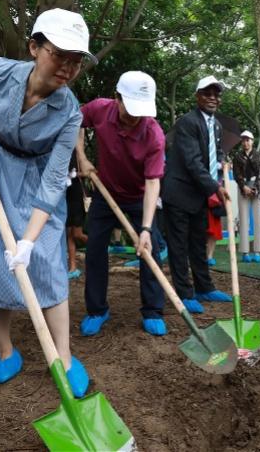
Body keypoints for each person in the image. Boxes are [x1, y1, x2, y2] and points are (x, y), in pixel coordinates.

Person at [0, 9, 93, 396]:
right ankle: (6, 350)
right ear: (34, 47)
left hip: (35, 181)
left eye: (76, 61)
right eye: (60, 54)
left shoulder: (69, 113)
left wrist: (28, 240)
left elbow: (54, 181)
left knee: (46, 262)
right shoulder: (0, 71)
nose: (67, 68)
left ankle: (63, 355)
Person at [75, 70, 167, 336]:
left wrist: (146, 229)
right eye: (130, 108)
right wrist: (81, 155)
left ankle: (152, 310)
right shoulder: (100, 110)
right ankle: (97, 309)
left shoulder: (153, 133)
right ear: (117, 98)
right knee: (94, 250)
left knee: (150, 250)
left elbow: (152, 183)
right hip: (106, 194)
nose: (135, 116)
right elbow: (74, 122)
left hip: (139, 197)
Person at [161, 76, 232, 314]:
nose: (213, 98)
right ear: (197, 96)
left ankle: (204, 287)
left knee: (198, 243)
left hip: (200, 194)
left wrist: (222, 163)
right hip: (180, 193)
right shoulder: (187, 123)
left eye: (216, 94)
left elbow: (215, 153)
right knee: (179, 245)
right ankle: (184, 292)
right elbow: (192, 162)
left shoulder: (217, 125)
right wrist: (215, 187)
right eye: (207, 93)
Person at [233, 130, 260, 263]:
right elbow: (237, 174)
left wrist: (257, 187)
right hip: (243, 188)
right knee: (243, 219)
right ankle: (245, 251)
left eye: (248, 140)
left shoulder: (258, 155)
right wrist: (243, 187)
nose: (245, 142)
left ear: (252, 141)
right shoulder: (237, 157)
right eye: (243, 140)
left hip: (256, 187)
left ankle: (257, 251)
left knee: (258, 219)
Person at [65, 156, 86, 280]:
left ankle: (98, 246)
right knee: (69, 234)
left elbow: (88, 172)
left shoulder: (78, 153)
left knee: (77, 234)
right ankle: (73, 268)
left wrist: (74, 174)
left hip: (77, 195)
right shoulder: (62, 151)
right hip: (66, 195)